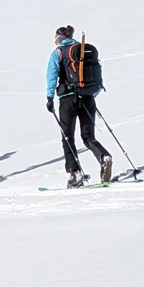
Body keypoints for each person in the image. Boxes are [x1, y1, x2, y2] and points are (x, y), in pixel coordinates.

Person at [47, 25, 112, 187]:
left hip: (67, 99)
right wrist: (90, 94)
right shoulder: (83, 51)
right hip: (87, 97)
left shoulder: (58, 53)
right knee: (88, 137)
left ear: (58, 39)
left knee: (68, 137)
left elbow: (52, 76)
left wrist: (49, 98)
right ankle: (104, 157)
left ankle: (75, 173)